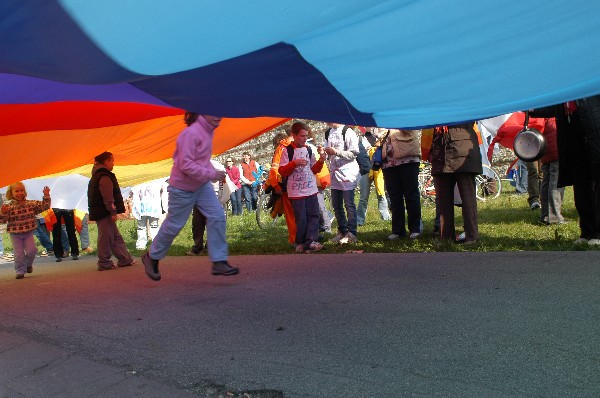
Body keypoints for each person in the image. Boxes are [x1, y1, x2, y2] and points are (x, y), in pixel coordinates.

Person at [142, 113, 239, 281]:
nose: (219, 116)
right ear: (201, 112)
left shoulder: (208, 131)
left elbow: (201, 160)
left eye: (220, 112)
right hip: (182, 188)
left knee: (217, 215)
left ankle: (219, 261)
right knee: (174, 225)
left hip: (201, 185)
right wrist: (211, 173)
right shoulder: (191, 134)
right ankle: (151, 257)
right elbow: (185, 164)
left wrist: (211, 172)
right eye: (213, 112)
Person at [531, 96, 600, 244]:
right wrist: (532, 109)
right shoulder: (567, 90)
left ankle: (598, 233)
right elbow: (555, 108)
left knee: (596, 186)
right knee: (581, 186)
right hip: (571, 135)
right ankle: (586, 232)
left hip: (594, 134)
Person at [430, 124, 482, 244]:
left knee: (467, 198)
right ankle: (446, 237)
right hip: (441, 150)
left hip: (462, 150)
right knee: (443, 200)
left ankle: (472, 236)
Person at [279, 121, 326, 253]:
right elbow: (282, 171)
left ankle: (311, 241)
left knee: (314, 215)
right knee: (301, 219)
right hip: (296, 192)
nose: (305, 138)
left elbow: (314, 169)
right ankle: (301, 242)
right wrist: (294, 163)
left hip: (310, 189)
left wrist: (321, 161)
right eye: (302, 136)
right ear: (294, 135)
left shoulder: (308, 149)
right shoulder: (287, 151)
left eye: (306, 136)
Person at [88, 152, 136, 271]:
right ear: (106, 162)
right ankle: (104, 262)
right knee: (106, 237)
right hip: (105, 212)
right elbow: (108, 197)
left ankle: (125, 259)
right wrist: (113, 211)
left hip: (101, 210)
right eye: (112, 161)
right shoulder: (104, 176)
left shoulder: (96, 175)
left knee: (115, 237)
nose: (113, 164)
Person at [0, 182, 51, 279]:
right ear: (11, 193)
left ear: (25, 191)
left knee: (32, 251)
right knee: (18, 254)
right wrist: (3, 212)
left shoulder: (30, 204)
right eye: (17, 191)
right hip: (15, 235)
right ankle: (20, 271)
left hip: (28, 233)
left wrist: (46, 195)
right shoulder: (8, 207)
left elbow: (45, 206)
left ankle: (28, 265)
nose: (20, 193)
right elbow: (2, 220)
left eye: (22, 190)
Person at [381, 129, 423, 239]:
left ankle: (415, 228)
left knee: (411, 194)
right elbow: (375, 136)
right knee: (394, 196)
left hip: (408, 158)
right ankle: (397, 230)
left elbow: (412, 127)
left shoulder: (405, 112)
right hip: (389, 162)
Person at [324, 123, 360, 244]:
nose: (327, 122)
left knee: (349, 204)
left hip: (347, 172)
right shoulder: (328, 132)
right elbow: (327, 152)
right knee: (336, 204)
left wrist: (337, 152)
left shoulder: (347, 131)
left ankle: (352, 233)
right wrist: (323, 151)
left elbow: (354, 154)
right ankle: (342, 231)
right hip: (335, 173)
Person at [265, 128, 297, 245]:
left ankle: (298, 238)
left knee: (293, 214)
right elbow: (274, 169)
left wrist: (275, 185)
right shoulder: (285, 148)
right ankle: (301, 238)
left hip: (293, 186)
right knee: (296, 213)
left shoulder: (284, 147)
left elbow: (274, 169)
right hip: (292, 186)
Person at [357, 128, 390, 226]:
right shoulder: (359, 138)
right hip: (365, 168)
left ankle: (386, 218)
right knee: (363, 196)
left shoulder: (382, 135)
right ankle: (359, 221)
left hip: (378, 167)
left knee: (381, 193)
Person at [538, 118, 565, 224]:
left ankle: (545, 215)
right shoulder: (552, 114)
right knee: (556, 182)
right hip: (555, 146)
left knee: (547, 181)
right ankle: (554, 216)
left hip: (544, 147)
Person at [131, 179, 164, 250]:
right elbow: (133, 190)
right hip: (141, 209)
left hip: (153, 208)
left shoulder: (157, 180)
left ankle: (156, 245)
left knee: (154, 225)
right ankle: (141, 245)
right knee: (141, 226)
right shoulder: (138, 181)